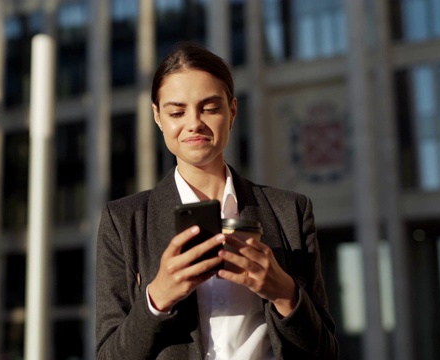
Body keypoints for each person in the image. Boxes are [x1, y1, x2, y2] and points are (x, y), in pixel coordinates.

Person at [95, 42, 338, 360]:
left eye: (209, 108)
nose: (194, 123)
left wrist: (285, 293)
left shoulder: (290, 211)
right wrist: (157, 299)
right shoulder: (123, 221)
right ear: (157, 116)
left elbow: (326, 352)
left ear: (232, 110)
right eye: (177, 112)